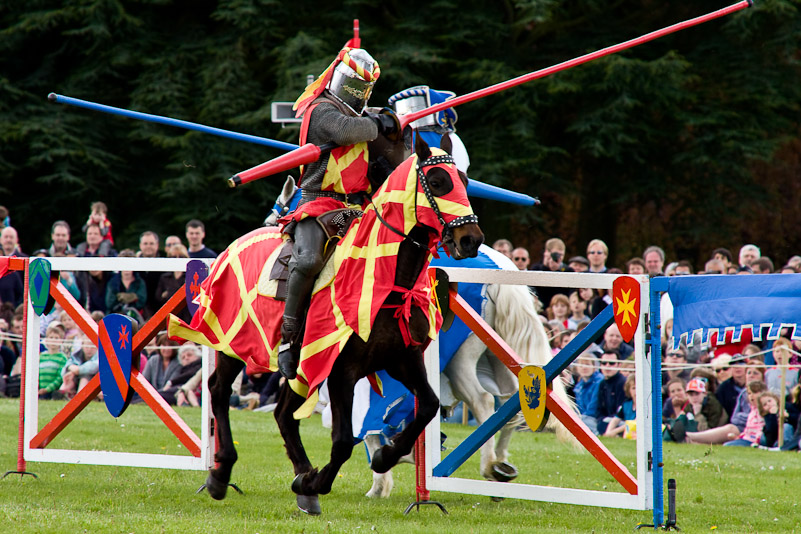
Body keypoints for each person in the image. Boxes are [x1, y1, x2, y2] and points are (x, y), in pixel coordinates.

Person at [277, 46, 398, 380]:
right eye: (355, 84)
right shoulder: (321, 110)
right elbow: (346, 131)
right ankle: (288, 338)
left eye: (365, 87)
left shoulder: (361, 118)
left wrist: (393, 126)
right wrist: (377, 122)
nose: (358, 93)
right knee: (310, 261)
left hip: (355, 208)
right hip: (318, 202)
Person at [684, 380, 767, 445]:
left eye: (697, 394)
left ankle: (688, 436)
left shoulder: (713, 405)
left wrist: (698, 414)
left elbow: (707, 429)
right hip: (744, 435)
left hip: (747, 437)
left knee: (730, 431)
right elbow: (735, 418)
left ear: (704, 393)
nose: (694, 397)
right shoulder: (688, 406)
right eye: (749, 393)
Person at [529, 237, 574, 308]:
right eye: (556, 254)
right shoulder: (536, 269)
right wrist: (546, 268)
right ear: (547, 252)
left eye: (561, 255)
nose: (559, 258)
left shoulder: (568, 271)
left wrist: (557, 271)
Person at [155, 244, 192, 323]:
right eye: (174, 257)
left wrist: (168, 293)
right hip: (169, 317)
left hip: (187, 318)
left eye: (181, 257)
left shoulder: (191, 277)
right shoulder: (164, 277)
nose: (177, 259)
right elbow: (158, 298)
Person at [105, 250, 147, 318]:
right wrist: (133, 298)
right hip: (115, 316)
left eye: (129, 265)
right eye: (123, 265)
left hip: (136, 317)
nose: (126, 268)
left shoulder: (140, 282)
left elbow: (142, 301)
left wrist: (128, 298)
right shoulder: (112, 282)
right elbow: (109, 303)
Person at [58, 333, 98, 398]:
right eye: (87, 346)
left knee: (85, 377)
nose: (89, 349)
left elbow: (94, 367)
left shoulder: (100, 356)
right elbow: (64, 371)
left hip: (94, 382)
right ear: (82, 345)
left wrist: (78, 370)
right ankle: (62, 394)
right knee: (69, 375)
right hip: (76, 380)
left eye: (92, 346)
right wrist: (70, 368)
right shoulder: (76, 355)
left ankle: (80, 397)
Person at [596, 350, 627, 435]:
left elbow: (620, 412)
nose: (607, 366)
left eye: (612, 363)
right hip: (605, 420)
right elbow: (599, 409)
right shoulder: (602, 383)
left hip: (620, 422)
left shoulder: (623, 382)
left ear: (619, 365)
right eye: (604, 363)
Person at [572, 351, 604, 434]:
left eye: (587, 364)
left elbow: (593, 406)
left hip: (594, 418)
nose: (584, 368)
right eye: (581, 365)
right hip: (583, 417)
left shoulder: (599, 381)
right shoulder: (579, 385)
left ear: (594, 367)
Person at [137, 230, 164, 319]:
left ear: (157, 245)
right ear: (140, 245)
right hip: (138, 313)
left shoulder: (165, 266)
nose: (148, 246)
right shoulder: (133, 266)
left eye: (151, 243)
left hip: (160, 312)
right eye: (145, 243)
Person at [38, 322, 68, 399]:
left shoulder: (62, 358)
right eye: (51, 337)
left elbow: (60, 377)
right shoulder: (41, 357)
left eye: (56, 338)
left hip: (53, 391)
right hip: (40, 390)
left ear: (61, 341)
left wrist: (47, 389)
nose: (53, 340)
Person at [0, 226, 24, 308]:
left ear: (16, 240)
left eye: (11, 237)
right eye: (6, 237)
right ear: (1, 239)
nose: (8, 240)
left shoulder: (24, 260)